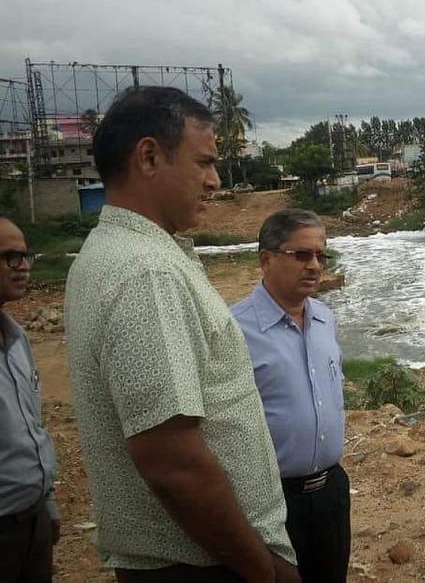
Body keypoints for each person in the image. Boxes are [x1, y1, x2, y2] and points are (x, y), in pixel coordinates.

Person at [64, 87, 299, 583]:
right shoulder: (147, 272)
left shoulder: (111, 252)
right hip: (203, 563)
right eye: (205, 163)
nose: (215, 181)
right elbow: (171, 462)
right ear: (149, 156)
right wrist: (260, 570)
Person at [232, 209, 350, 583]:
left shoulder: (324, 319)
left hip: (332, 491)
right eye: (301, 255)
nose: (315, 266)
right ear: (265, 259)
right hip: (271, 501)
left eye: (320, 255)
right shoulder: (233, 329)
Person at [0, 216, 60, 582]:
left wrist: (47, 503)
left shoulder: (18, 339)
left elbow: (32, 429)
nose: (23, 267)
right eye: (9, 257)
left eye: (25, 256)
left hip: (32, 520)